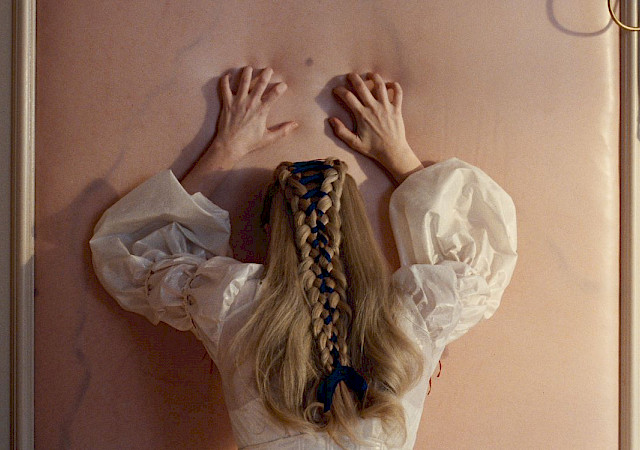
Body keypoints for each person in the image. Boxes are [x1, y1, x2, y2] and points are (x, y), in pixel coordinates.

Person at [90, 67, 517, 449]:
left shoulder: (233, 305)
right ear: (362, 228)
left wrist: (224, 149)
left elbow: (130, 251)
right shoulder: (415, 314)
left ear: (269, 232)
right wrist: (397, 152)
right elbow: (481, 254)